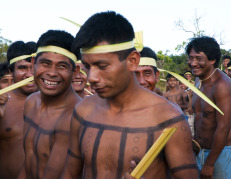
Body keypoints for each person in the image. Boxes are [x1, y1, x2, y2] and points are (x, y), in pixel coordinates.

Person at [61, 11, 198, 179]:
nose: (91, 78)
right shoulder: (83, 111)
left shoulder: (168, 120)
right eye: (87, 67)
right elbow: (69, 173)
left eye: (102, 66)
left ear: (132, 61)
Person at [21, 30, 81, 178]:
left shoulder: (75, 116)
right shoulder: (31, 102)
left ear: (75, 71)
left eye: (62, 66)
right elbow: (27, 162)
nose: (52, 73)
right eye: (46, 64)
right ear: (34, 63)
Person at [186, 36, 231, 178]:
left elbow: (223, 127)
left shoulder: (222, 85)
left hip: (225, 153)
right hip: (202, 152)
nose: (193, 63)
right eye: (191, 58)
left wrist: (210, 163)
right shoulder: (198, 81)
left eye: (198, 58)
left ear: (212, 59)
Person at [0, 41, 37, 179]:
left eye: (34, 67)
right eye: (23, 68)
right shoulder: (2, 102)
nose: (29, 74)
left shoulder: (57, 103)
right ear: (11, 71)